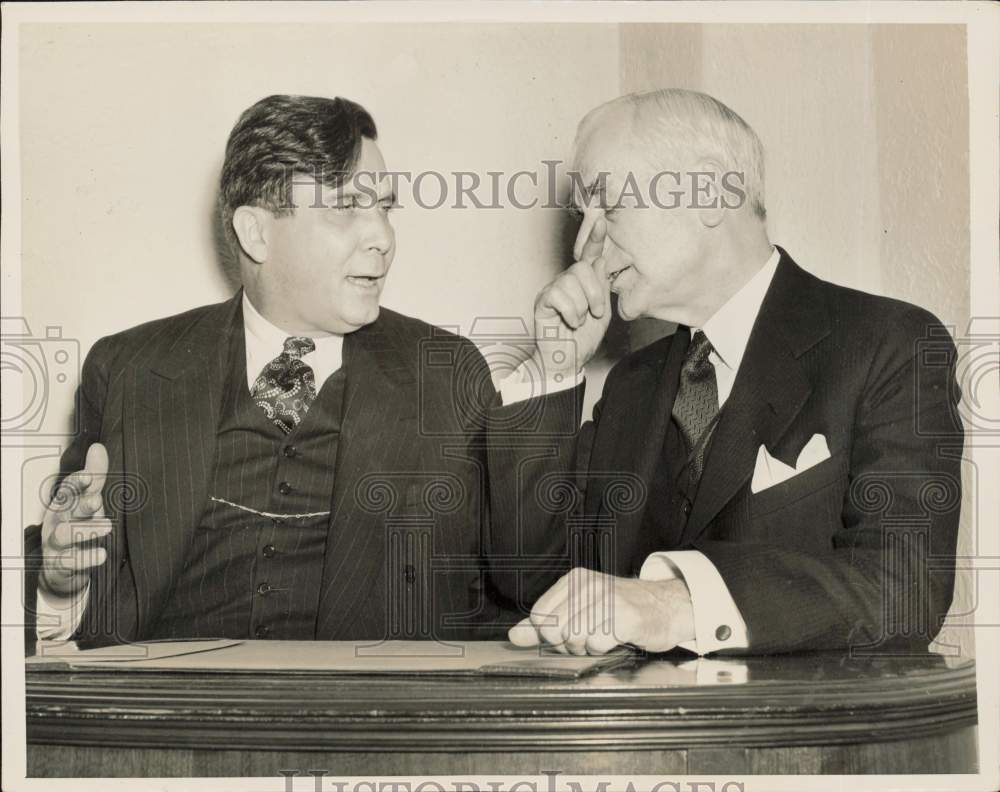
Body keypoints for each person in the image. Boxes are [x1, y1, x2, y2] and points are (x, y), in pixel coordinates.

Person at [23, 94, 567, 650]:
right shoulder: (128, 370)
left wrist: (552, 369)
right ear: (257, 233)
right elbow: (76, 582)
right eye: (348, 207)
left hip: (370, 722)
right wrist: (59, 584)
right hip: (167, 721)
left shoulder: (448, 374)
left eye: (385, 207)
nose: (383, 236)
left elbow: (531, 584)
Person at [504, 88, 964, 656]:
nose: (583, 243)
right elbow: (530, 583)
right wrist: (553, 372)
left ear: (712, 192)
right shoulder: (631, 385)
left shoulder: (890, 345)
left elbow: (905, 589)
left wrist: (676, 604)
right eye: (582, 214)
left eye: (607, 204)